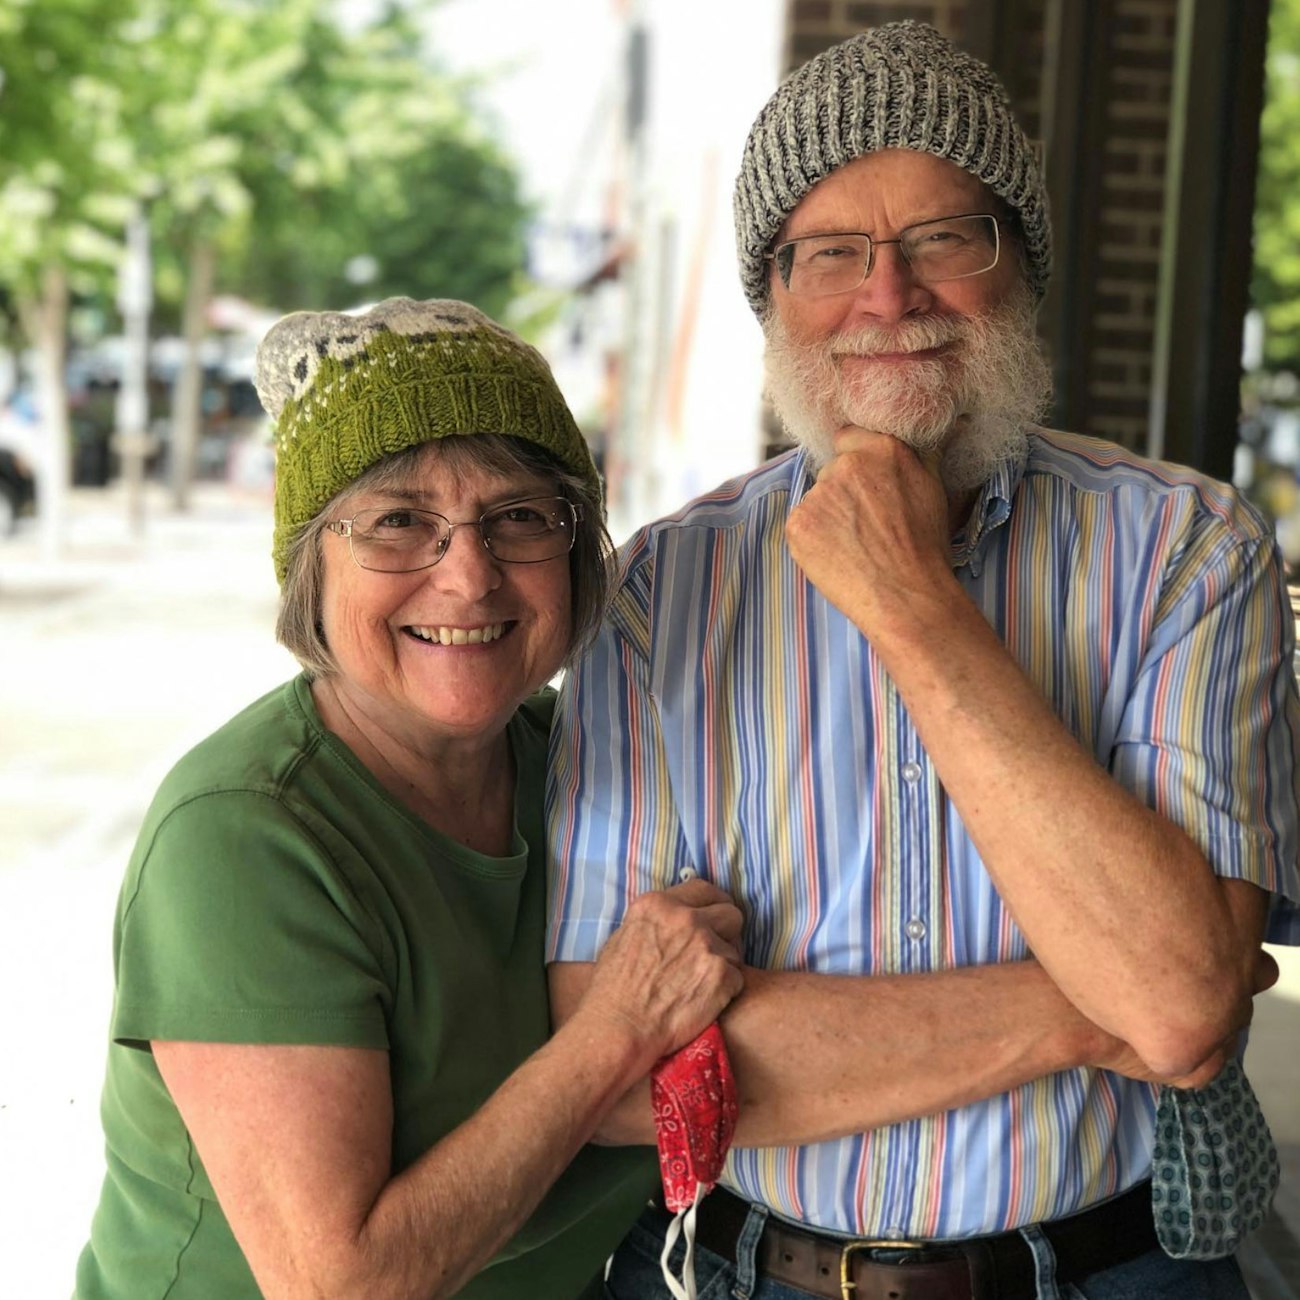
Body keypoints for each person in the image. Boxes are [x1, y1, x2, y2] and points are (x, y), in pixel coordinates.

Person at [546, 22, 1300, 1300]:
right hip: (745, 1275)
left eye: (943, 240)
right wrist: (1088, 1000)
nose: (886, 298)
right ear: (772, 294)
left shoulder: (1189, 553)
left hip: (1113, 1277)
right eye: (828, 252)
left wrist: (913, 606)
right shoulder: (658, 595)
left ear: (1021, 265)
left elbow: (1176, 1010)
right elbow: (610, 1067)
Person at [73, 297, 745, 1300]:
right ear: (311, 563)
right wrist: (617, 1033)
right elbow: (340, 1286)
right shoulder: (244, 834)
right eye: (399, 522)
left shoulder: (603, 765)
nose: (469, 576)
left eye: (519, 515)